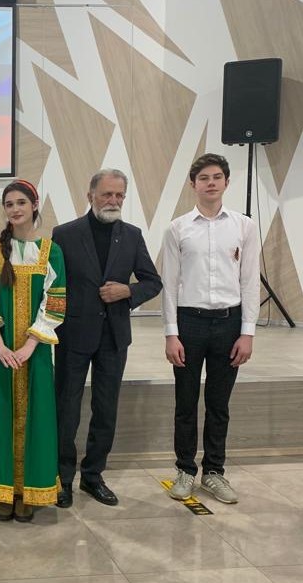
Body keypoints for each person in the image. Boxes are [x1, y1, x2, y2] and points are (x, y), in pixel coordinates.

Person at [52, 170, 161, 508]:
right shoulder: (64, 234)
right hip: (73, 335)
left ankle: (93, 475)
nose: (113, 201)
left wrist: (127, 291)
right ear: (91, 196)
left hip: (114, 337)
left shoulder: (132, 235)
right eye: (107, 194)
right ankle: (62, 478)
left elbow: (152, 281)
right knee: (66, 409)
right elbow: (53, 285)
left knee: (106, 409)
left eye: (119, 195)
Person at [0, 179, 66, 523]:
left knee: (35, 418)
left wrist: (30, 345)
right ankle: (2, 491)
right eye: (9, 204)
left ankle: (27, 491)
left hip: (35, 353)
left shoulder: (51, 251)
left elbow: (55, 301)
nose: (15, 209)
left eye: (21, 202)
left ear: (34, 205)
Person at [162, 153, 260, 504]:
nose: (211, 183)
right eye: (204, 178)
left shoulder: (244, 226)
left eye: (217, 177)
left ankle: (214, 472)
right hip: (189, 322)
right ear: (193, 184)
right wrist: (171, 333)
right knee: (186, 402)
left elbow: (249, 281)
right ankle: (185, 470)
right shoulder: (177, 228)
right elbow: (169, 284)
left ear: (226, 182)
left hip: (228, 323)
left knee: (219, 404)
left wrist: (247, 332)